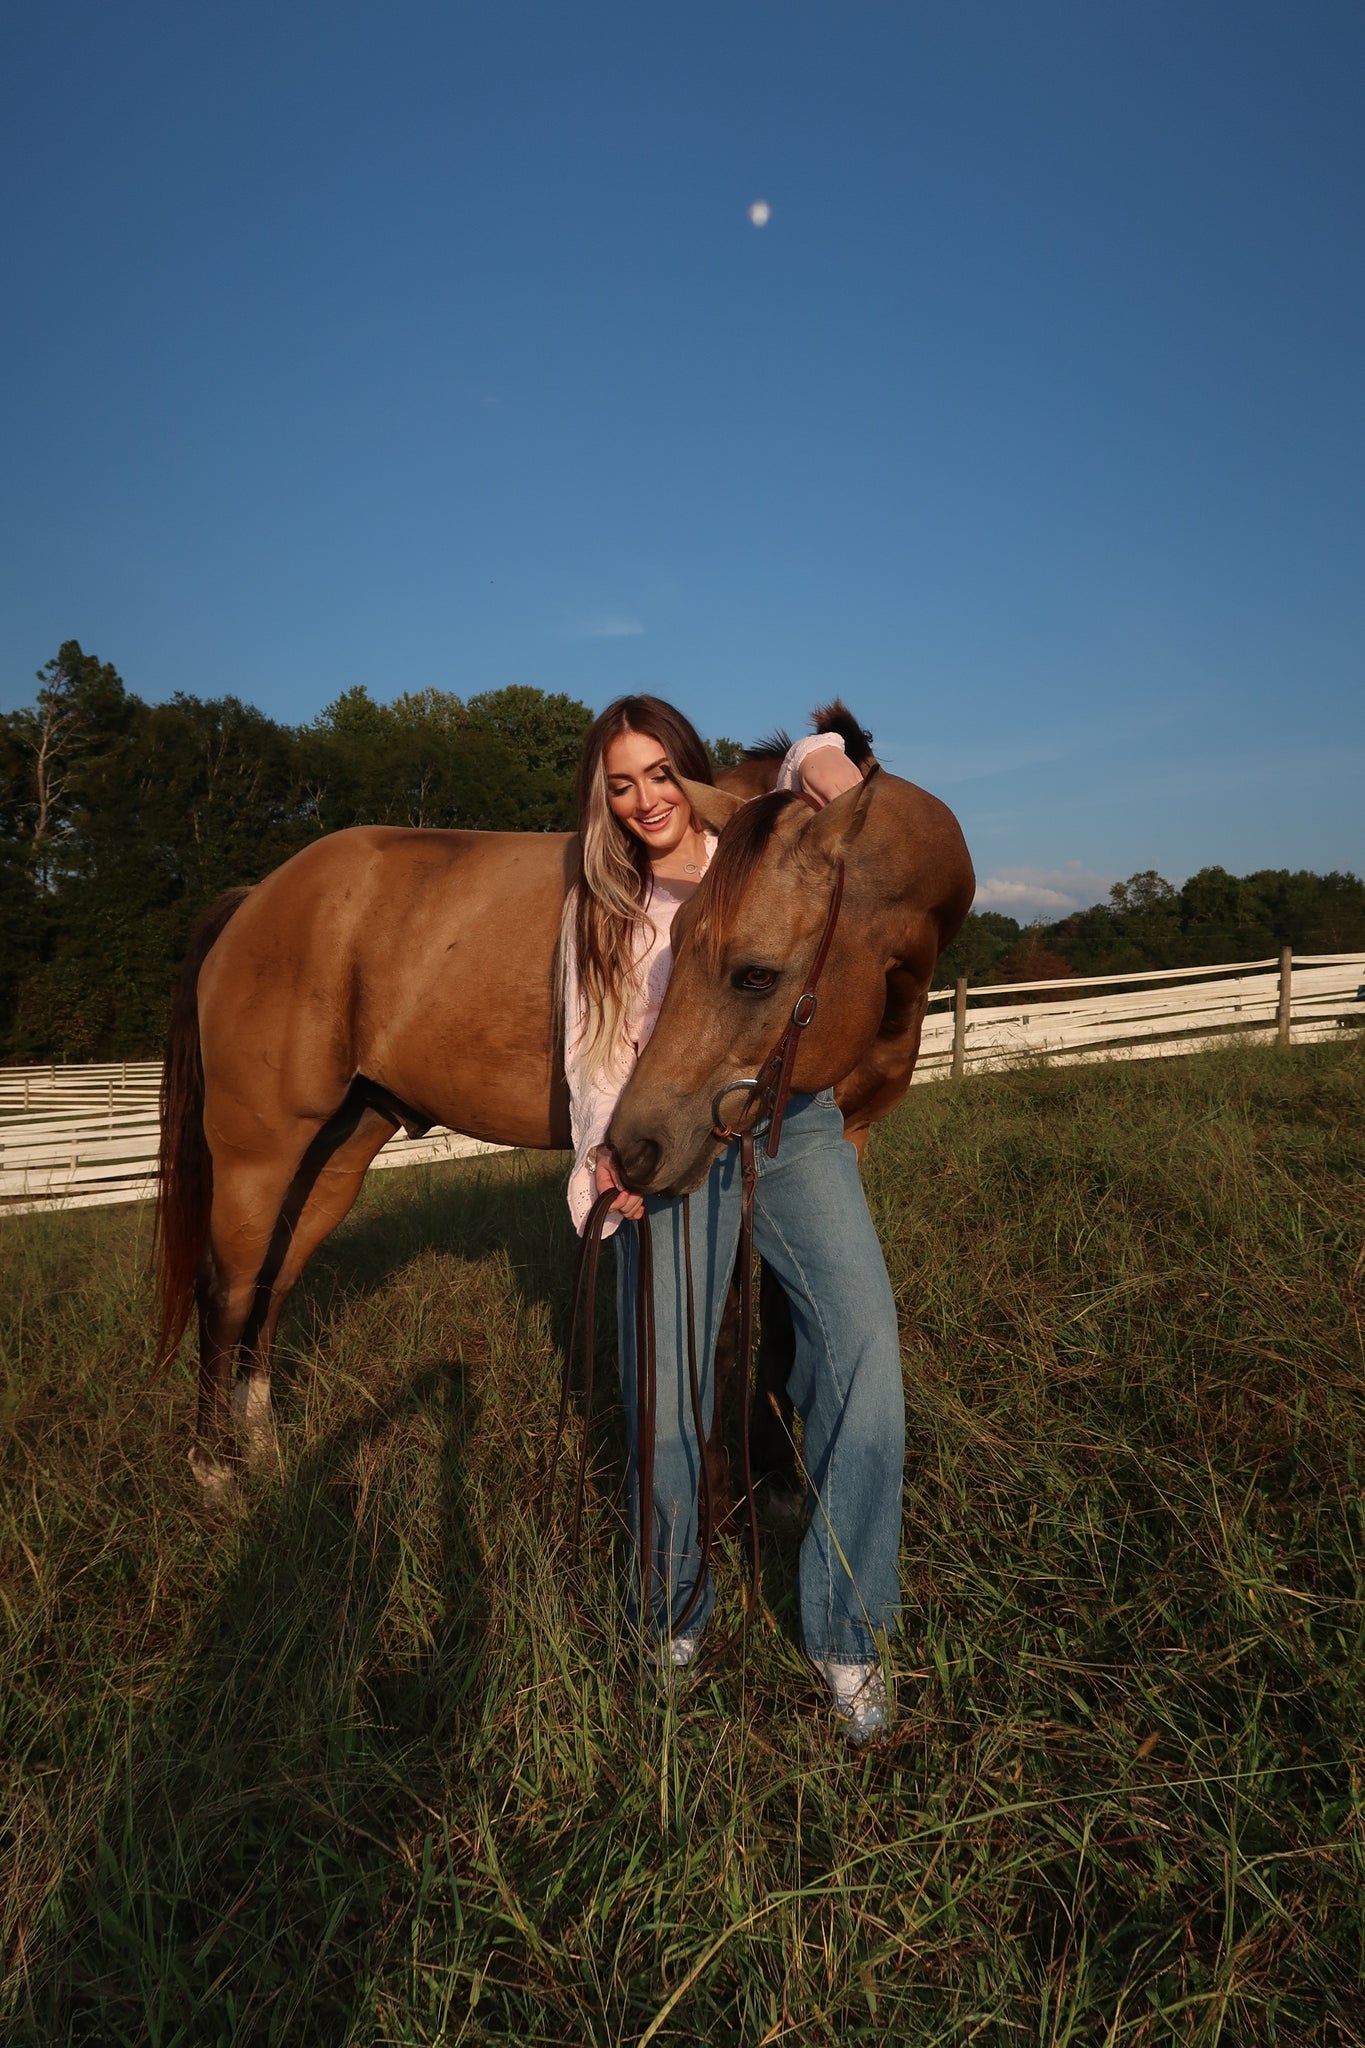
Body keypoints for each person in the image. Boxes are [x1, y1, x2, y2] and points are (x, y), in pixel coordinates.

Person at [561, 694, 905, 1743]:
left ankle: (848, 1633)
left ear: (693, 774)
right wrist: (609, 1161)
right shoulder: (603, 904)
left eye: (660, 774)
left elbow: (809, 767)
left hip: (792, 1123)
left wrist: (820, 753)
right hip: (674, 1136)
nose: (645, 800)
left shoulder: (756, 846)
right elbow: (590, 1051)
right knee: (665, 1396)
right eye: (621, 785)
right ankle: (671, 1616)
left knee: (865, 1359)